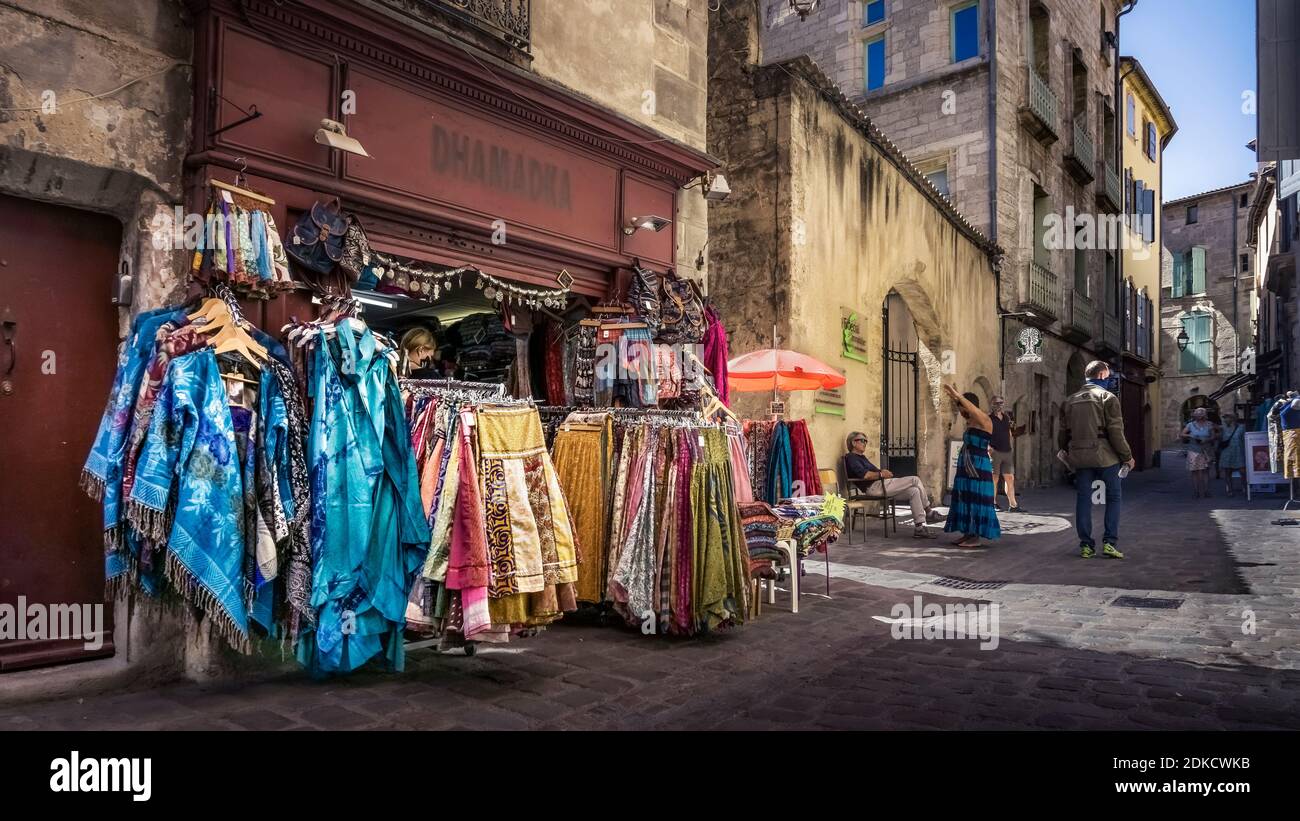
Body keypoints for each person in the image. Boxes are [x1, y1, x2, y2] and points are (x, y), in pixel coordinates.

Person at [1059, 360, 1134, 559]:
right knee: (1113, 497)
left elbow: (1063, 433)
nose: (1109, 380)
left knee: (1084, 499)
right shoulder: (1108, 398)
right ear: (1102, 376)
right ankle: (1109, 542)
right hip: (1106, 456)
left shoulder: (1069, 400)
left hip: (1080, 457)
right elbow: (1116, 432)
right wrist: (1127, 457)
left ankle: (1086, 545)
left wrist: (1065, 451)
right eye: (1108, 376)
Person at [843, 431, 944, 539]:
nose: (865, 443)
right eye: (862, 440)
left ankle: (920, 527)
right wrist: (881, 474)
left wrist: (883, 472)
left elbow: (876, 471)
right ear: (853, 443)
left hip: (880, 485)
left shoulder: (862, 457)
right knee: (915, 479)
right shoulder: (851, 457)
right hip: (874, 487)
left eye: (866, 441)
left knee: (914, 491)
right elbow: (865, 475)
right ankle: (929, 512)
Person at [940, 385, 1000, 548]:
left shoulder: (985, 420)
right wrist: (954, 398)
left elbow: (972, 409)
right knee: (965, 498)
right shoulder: (971, 421)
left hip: (978, 466)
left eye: (962, 408)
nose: (961, 412)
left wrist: (958, 396)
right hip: (967, 464)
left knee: (976, 498)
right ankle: (967, 533)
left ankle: (975, 537)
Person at [988, 395, 1027, 512]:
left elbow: (1009, 432)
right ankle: (993, 503)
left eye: (1001, 403)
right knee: (994, 478)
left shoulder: (1006, 418)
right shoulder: (988, 418)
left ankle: (1013, 505)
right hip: (994, 452)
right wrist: (988, 448)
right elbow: (984, 434)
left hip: (1007, 452)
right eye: (996, 403)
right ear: (992, 405)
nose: (999, 405)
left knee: (1010, 478)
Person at [1179, 407, 1219, 498]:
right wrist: (1190, 435)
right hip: (1193, 450)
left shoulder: (1209, 424)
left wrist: (1206, 439)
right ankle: (1196, 491)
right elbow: (1181, 434)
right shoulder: (1190, 425)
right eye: (1197, 414)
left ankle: (1206, 491)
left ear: (1204, 415)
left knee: (1205, 471)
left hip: (1206, 450)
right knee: (1195, 471)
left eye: (1200, 414)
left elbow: (1213, 437)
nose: (1198, 416)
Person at [1218, 412, 1246, 496]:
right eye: (1224, 418)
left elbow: (1244, 440)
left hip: (1239, 452)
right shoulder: (1222, 428)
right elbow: (1219, 439)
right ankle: (1229, 489)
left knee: (1242, 471)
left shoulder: (1241, 427)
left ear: (1232, 418)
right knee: (1227, 472)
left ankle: (1244, 487)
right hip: (1227, 452)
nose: (1225, 419)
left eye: (1227, 417)